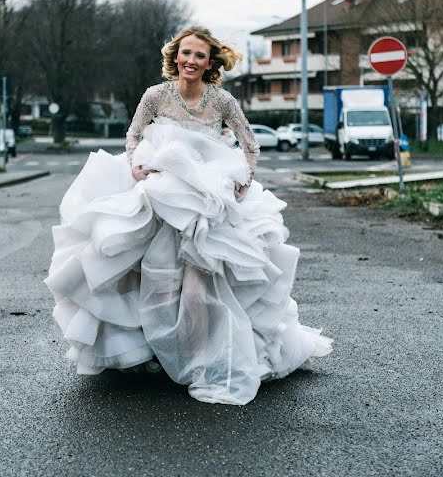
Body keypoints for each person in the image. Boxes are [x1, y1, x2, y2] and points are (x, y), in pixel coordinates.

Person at [45, 26, 333, 405]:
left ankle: (197, 359)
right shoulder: (155, 96)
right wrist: (135, 167)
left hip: (206, 203)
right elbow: (133, 137)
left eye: (199, 55)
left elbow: (249, 145)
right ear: (174, 57)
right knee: (152, 279)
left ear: (210, 62)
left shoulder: (223, 101)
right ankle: (152, 354)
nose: (191, 61)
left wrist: (243, 181)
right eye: (186, 53)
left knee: (198, 287)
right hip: (160, 198)